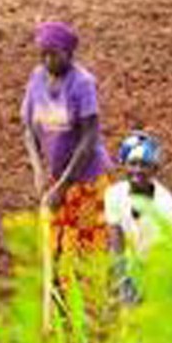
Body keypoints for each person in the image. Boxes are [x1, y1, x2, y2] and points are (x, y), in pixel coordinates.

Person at [22, 21, 113, 260]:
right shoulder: (37, 78)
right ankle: (55, 297)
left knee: (83, 254)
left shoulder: (82, 83)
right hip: (55, 178)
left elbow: (89, 138)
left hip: (87, 181)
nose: (47, 61)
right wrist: (38, 171)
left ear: (69, 54)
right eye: (43, 55)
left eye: (54, 55)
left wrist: (63, 185)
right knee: (53, 250)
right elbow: (28, 130)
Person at [105, 131, 172, 303]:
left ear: (155, 169)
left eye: (144, 165)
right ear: (123, 165)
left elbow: (166, 250)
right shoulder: (114, 195)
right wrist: (120, 279)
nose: (137, 170)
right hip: (136, 261)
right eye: (132, 164)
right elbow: (116, 242)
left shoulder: (164, 203)